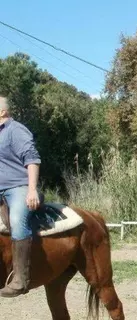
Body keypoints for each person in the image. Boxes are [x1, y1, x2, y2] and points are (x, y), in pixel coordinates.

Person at [0, 95, 41, 298]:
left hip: (18, 186)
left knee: (17, 220)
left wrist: (32, 189)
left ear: (2, 112)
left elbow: (32, 159)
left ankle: (20, 279)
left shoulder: (15, 130)